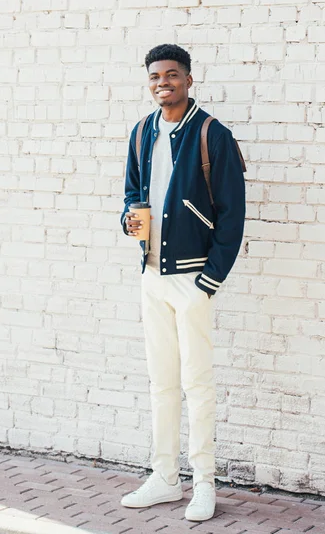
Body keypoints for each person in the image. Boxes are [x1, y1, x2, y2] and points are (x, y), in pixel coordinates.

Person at [120, 44, 245, 522]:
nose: (162, 83)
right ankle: (165, 477)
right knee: (162, 384)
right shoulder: (141, 133)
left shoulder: (213, 135)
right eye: (155, 76)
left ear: (189, 80)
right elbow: (133, 194)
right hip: (151, 277)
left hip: (193, 278)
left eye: (172, 75)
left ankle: (204, 483)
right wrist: (128, 219)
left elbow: (233, 217)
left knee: (198, 383)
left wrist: (208, 281)